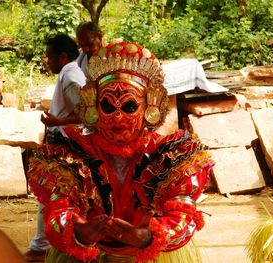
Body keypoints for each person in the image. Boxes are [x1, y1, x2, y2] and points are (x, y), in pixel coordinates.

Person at [27, 39, 214, 263]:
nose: (117, 117)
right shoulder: (72, 155)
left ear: (149, 107)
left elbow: (184, 217)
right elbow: (58, 211)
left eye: (128, 106)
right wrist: (77, 232)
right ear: (94, 106)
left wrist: (148, 237)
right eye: (108, 106)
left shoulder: (171, 158)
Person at [25, 34, 86, 262]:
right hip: (62, 142)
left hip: (64, 144)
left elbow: (85, 112)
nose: (47, 62)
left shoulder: (70, 73)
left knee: (50, 194)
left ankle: (43, 245)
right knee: (50, 193)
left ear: (62, 56)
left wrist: (56, 123)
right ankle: (44, 242)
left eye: (49, 57)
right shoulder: (70, 71)